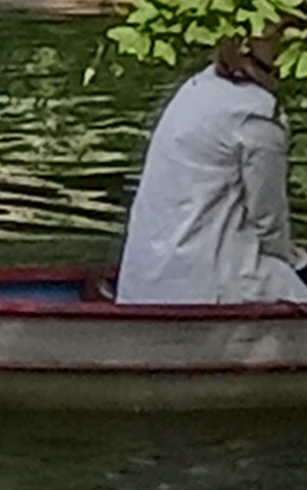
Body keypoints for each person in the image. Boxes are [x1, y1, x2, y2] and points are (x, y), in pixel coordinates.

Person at [119, 16, 307, 305]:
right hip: (206, 286)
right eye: (283, 34)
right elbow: (269, 223)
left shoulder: (198, 87)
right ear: (247, 44)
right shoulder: (257, 114)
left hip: (144, 280)